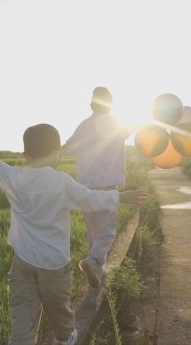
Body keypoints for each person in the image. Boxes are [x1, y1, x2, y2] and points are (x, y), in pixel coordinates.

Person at [0, 123, 146, 345]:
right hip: (54, 266)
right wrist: (120, 197)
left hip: (23, 262)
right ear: (58, 151)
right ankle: (66, 338)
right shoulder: (61, 183)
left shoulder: (14, 178)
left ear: (25, 155)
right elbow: (91, 199)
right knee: (60, 313)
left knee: (22, 317)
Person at [61, 87, 133, 289]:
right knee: (108, 232)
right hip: (106, 185)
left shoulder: (83, 125)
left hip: (84, 187)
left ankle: (98, 273)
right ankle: (92, 262)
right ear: (110, 103)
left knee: (94, 232)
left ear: (92, 103)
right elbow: (127, 132)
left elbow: (68, 145)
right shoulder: (113, 122)